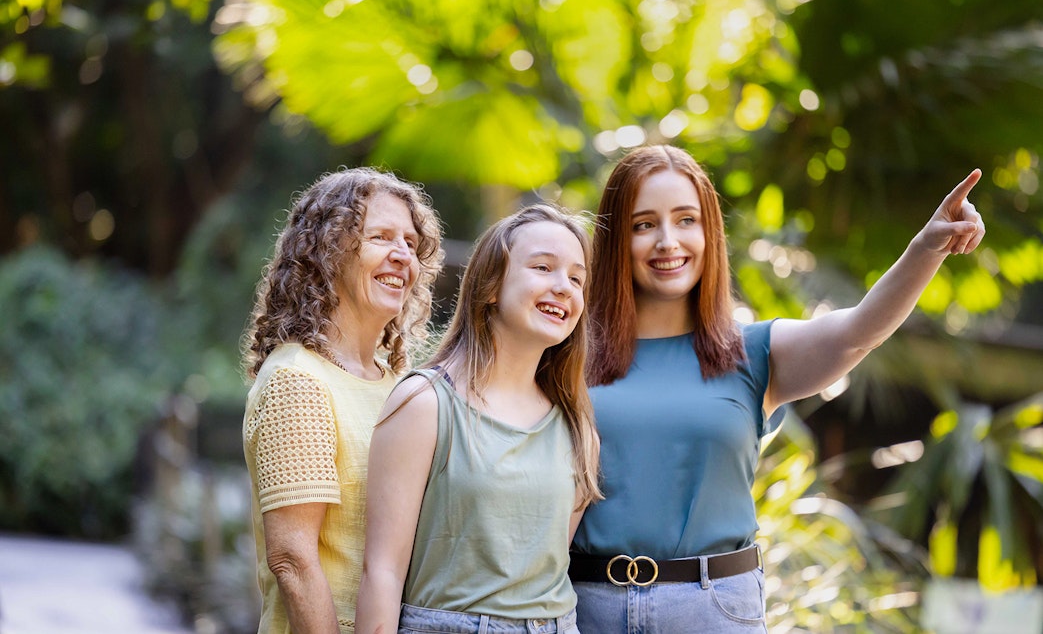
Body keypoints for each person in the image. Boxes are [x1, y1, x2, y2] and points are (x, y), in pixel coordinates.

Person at [569, 144, 985, 632]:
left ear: (710, 232)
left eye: (686, 220)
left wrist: (927, 247)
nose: (668, 241)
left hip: (713, 610)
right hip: (586, 607)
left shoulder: (754, 351)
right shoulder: (569, 352)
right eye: (644, 225)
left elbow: (859, 332)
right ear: (617, 236)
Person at [355, 204, 603, 634]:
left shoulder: (578, 429)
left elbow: (546, 572)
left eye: (577, 278)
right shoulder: (424, 404)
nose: (564, 287)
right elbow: (382, 574)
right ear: (490, 286)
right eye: (544, 267)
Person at [241, 167, 444, 634]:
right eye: (380, 237)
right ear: (328, 251)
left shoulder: (399, 382)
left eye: (411, 244)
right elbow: (292, 559)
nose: (401, 256)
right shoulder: (298, 379)